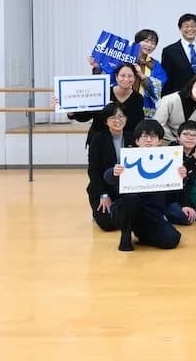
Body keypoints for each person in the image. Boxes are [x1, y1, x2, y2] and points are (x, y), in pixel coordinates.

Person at [104, 120, 184, 251]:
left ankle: (143, 235)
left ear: (159, 141)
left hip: (152, 213)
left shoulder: (167, 160)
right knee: (131, 200)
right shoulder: (129, 157)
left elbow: (173, 194)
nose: (149, 140)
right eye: (144, 136)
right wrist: (114, 172)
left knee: (172, 239)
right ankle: (125, 235)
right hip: (127, 208)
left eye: (153, 136)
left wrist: (180, 177)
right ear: (137, 141)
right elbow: (108, 177)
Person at [68, 61, 144, 150]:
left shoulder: (138, 98)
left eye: (130, 76)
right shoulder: (103, 93)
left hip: (125, 144)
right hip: (99, 141)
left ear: (135, 78)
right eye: (122, 75)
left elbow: (137, 124)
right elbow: (86, 115)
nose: (126, 79)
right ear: (116, 77)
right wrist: (71, 112)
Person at [86, 102, 129, 231]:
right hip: (103, 188)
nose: (118, 120)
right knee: (107, 224)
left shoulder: (132, 137)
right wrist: (103, 194)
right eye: (113, 117)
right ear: (106, 121)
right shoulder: (98, 139)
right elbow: (93, 170)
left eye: (121, 116)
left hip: (125, 189)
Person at [164, 120, 196, 225]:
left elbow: (193, 182)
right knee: (184, 217)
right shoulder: (171, 150)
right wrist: (194, 158)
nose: (190, 138)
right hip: (169, 198)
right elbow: (175, 176)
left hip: (186, 196)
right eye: (186, 134)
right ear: (178, 137)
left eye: (194, 135)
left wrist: (188, 204)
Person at [160, 13, 196, 96]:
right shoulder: (169, 51)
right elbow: (166, 79)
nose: (190, 29)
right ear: (180, 29)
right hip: (178, 97)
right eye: (186, 26)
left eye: (193, 26)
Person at [130, 28, 168, 118]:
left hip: (145, 107)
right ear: (137, 42)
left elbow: (160, 85)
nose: (149, 45)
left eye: (153, 43)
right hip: (125, 104)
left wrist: (141, 75)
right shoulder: (125, 59)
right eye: (146, 41)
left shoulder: (155, 65)